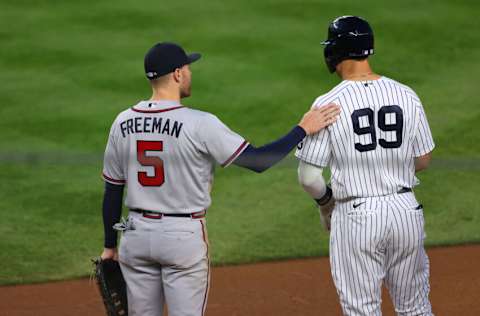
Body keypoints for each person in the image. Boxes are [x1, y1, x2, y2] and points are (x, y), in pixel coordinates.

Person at [100, 42, 340, 316]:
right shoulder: (199, 123)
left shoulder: (123, 121)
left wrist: (110, 245)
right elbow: (257, 161)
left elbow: (113, 189)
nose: (190, 73)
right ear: (177, 74)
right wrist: (302, 129)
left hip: (135, 235)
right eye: (188, 68)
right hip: (182, 237)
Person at [296, 16, 435, 315]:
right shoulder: (406, 94)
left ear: (335, 51)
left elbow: (309, 177)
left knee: (362, 310)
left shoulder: (328, 103)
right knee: (416, 308)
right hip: (406, 211)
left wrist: (326, 204)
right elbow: (423, 159)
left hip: (358, 218)